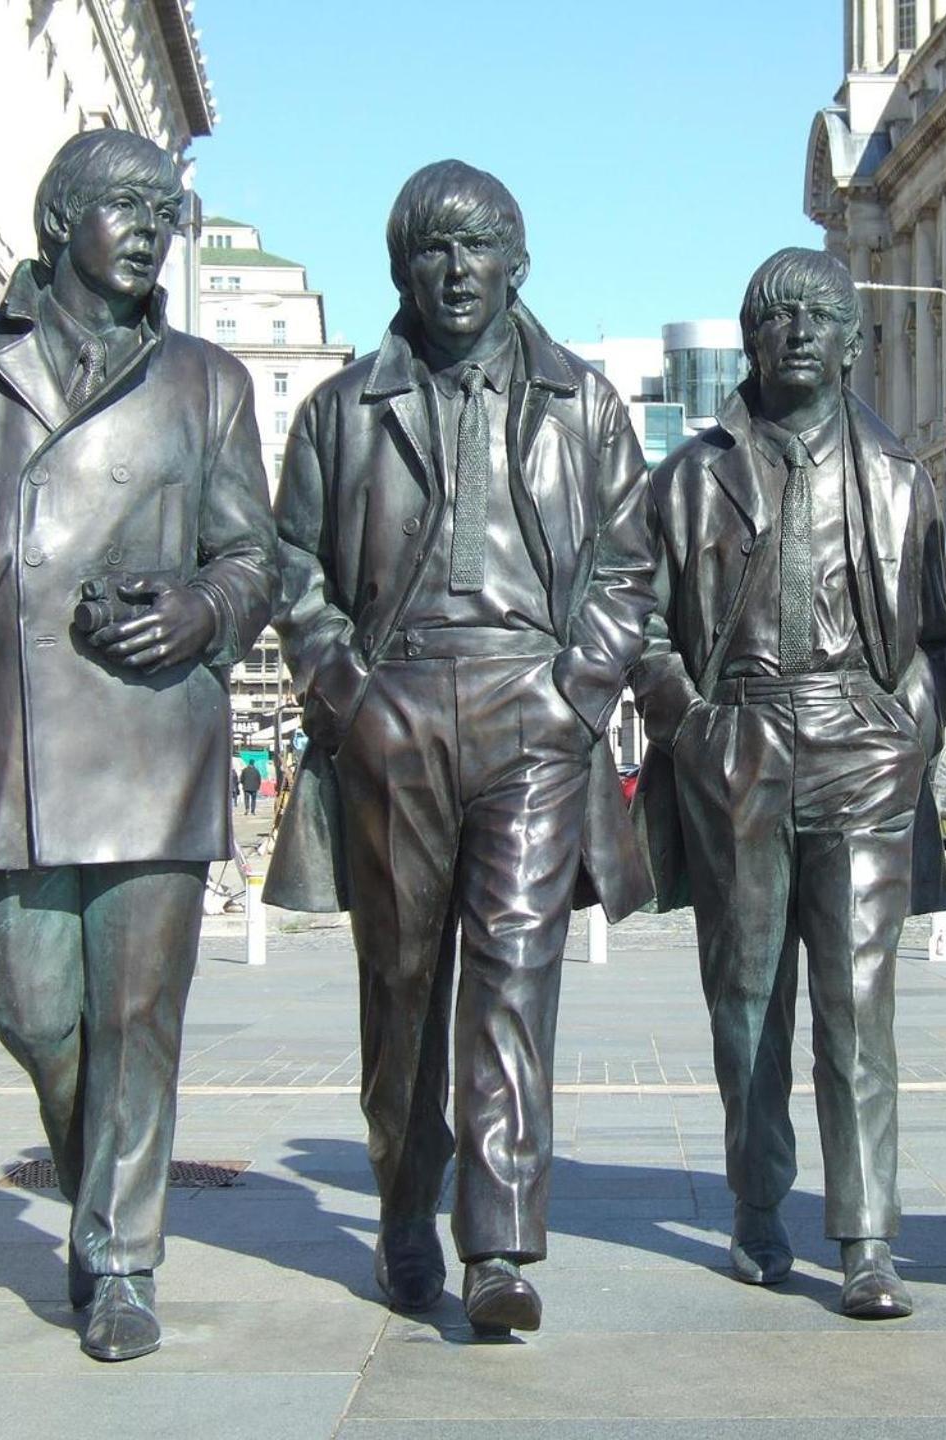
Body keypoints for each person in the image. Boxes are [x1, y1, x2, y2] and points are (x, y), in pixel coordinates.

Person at [0, 129, 277, 1362]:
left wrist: (203, 609)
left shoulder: (208, 382)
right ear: (59, 221)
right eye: (123, 207)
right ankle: (101, 1198)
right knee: (34, 1008)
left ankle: (121, 1258)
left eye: (163, 212)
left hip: (154, 733)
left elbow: (256, 557)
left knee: (138, 1015)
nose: (148, 230)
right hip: (9, 740)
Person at [263, 160, 654, 1336]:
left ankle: (498, 1245)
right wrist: (349, 693)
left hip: (531, 714)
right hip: (395, 715)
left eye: (477, 244)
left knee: (514, 979)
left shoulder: (583, 404)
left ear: (517, 263)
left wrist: (573, 693)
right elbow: (294, 570)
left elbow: (630, 566)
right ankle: (400, 1203)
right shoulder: (342, 411)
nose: (454, 267)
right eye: (431, 247)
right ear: (400, 267)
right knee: (402, 986)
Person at [631, 248, 946, 1318]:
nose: (800, 331)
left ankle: (867, 1235)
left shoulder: (902, 478)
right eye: (777, 316)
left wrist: (904, 737)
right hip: (742, 741)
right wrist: (692, 726)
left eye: (820, 314)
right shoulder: (688, 478)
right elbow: (636, 621)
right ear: (750, 343)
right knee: (747, 1001)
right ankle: (758, 1201)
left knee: (857, 1005)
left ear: (855, 341)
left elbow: (941, 642)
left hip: (860, 747)